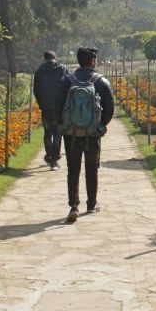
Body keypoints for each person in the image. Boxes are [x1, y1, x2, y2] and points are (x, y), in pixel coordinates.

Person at [56, 47, 114, 223]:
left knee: (73, 169)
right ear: (92, 61)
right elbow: (109, 109)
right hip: (92, 134)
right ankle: (91, 204)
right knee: (92, 168)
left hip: (71, 134)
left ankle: (74, 206)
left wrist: (64, 125)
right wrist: (100, 126)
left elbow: (57, 106)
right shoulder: (101, 81)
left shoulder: (67, 80)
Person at [32, 51, 68, 169]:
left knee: (47, 133)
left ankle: (49, 155)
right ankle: (54, 160)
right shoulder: (62, 69)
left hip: (46, 107)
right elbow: (67, 87)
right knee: (57, 133)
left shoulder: (39, 71)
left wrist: (41, 103)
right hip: (59, 107)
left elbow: (36, 90)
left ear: (44, 58)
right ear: (55, 57)